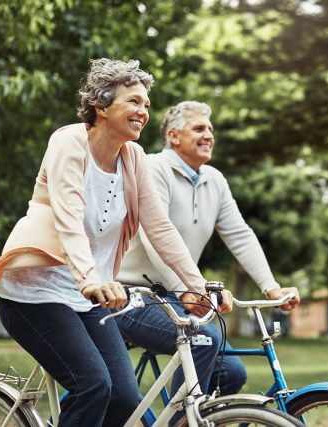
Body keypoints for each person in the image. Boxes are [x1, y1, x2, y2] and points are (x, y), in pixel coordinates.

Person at [0, 61, 231, 427]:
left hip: (91, 298)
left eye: (146, 104)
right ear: (101, 106)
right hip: (35, 293)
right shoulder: (68, 142)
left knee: (125, 398)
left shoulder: (134, 159)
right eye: (134, 101)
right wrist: (88, 278)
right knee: (93, 386)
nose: (143, 112)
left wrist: (198, 286)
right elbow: (68, 216)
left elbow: (160, 228)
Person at [116, 100, 301, 403]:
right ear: (174, 136)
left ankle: (193, 418)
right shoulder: (153, 168)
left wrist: (270, 286)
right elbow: (154, 234)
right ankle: (181, 421)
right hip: (130, 294)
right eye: (199, 128)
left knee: (232, 372)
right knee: (202, 341)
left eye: (211, 129)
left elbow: (240, 234)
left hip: (177, 295)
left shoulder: (214, 180)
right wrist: (187, 288)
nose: (208, 135)